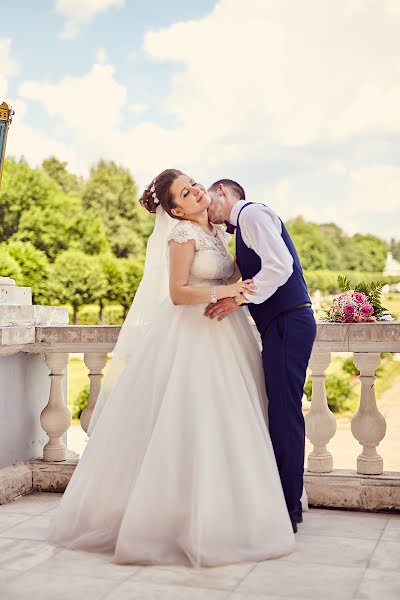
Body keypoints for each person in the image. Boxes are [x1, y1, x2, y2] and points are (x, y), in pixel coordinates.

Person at [48, 169, 295, 567]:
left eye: (194, 183)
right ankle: (170, 520)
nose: (197, 191)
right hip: (192, 338)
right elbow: (178, 293)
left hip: (227, 336)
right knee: (189, 423)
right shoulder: (182, 236)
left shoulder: (217, 233)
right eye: (185, 192)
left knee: (228, 423)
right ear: (176, 211)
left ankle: (224, 514)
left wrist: (240, 292)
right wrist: (226, 290)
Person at [206, 180, 317, 533]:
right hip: (280, 326)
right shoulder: (241, 228)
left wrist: (238, 299)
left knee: (285, 415)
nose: (207, 208)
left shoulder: (252, 214)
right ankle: (285, 501)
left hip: (288, 322)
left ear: (222, 190)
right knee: (280, 411)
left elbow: (280, 266)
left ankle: (288, 510)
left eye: (208, 199)